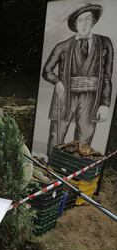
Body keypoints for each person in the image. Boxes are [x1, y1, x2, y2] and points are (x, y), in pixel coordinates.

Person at [42, 3, 113, 156]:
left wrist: (105, 104)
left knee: (84, 139)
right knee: (56, 135)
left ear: (93, 22)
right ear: (75, 24)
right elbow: (47, 71)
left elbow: (107, 76)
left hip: (91, 98)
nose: (84, 24)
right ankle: (52, 168)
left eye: (88, 19)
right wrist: (57, 81)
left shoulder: (105, 44)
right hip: (64, 96)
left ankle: (75, 171)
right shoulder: (63, 46)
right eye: (80, 20)